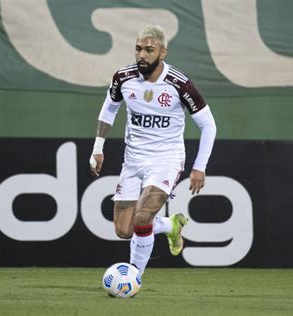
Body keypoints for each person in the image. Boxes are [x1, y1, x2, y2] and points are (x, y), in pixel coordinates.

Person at [89, 25, 216, 276]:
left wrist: (199, 166)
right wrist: (98, 147)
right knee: (124, 230)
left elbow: (208, 125)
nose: (142, 55)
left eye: (149, 49)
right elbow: (109, 109)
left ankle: (133, 276)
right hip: (133, 161)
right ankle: (170, 225)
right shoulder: (123, 78)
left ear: (163, 52)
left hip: (166, 159)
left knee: (141, 219)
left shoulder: (179, 84)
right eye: (138, 49)